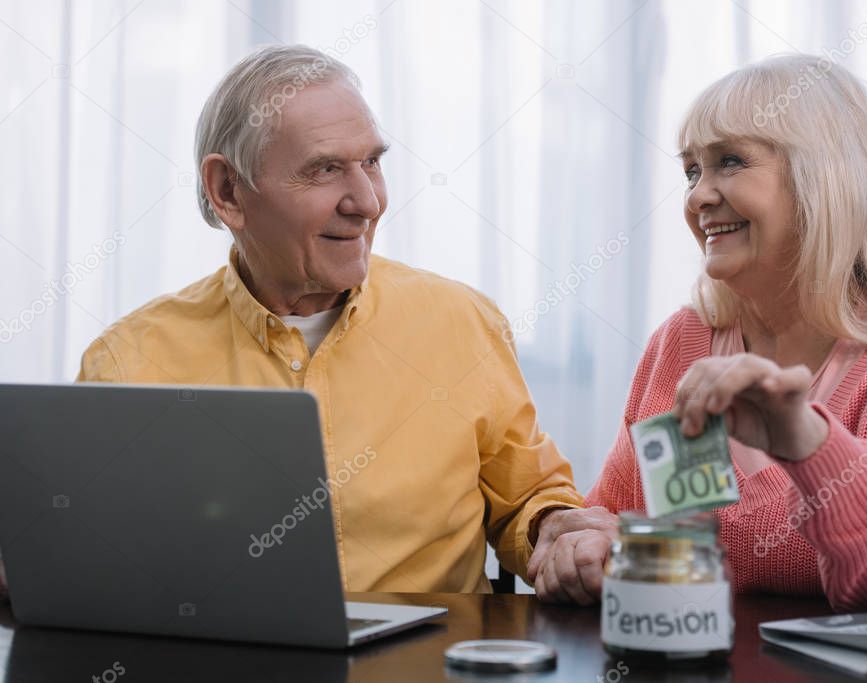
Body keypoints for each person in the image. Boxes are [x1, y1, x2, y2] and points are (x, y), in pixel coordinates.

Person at [0, 44, 595, 600]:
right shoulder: (130, 360)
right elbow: (71, 547)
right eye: (324, 170)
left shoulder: (462, 322)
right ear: (228, 190)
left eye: (371, 163)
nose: (366, 200)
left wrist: (557, 530)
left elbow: (530, 500)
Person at [528, 54, 867, 610]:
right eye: (692, 171)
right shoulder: (685, 340)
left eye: (729, 162)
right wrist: (587, 546)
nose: (697, 197)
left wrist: (808, 441)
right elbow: (620, 520)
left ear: (825, 178)